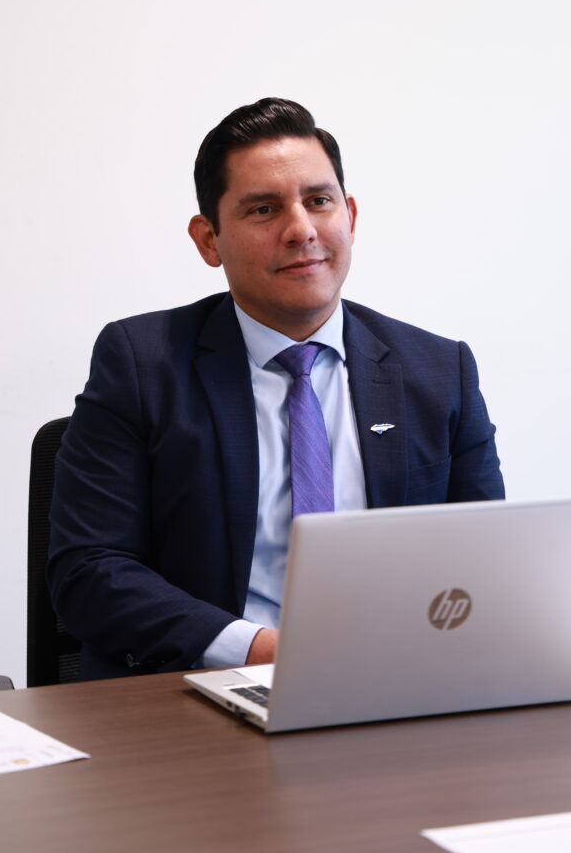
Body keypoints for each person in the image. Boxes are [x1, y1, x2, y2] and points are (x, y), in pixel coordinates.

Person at [47, 97, 505, 680]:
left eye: (319, 201)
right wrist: (262, 650)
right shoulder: (142, 363)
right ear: (208, 240)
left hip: (395, 682)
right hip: (206, 687)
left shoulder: (440, 370)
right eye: (264, 209)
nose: (301, 230)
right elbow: (89, 570)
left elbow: (486, 563)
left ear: (350, 216)